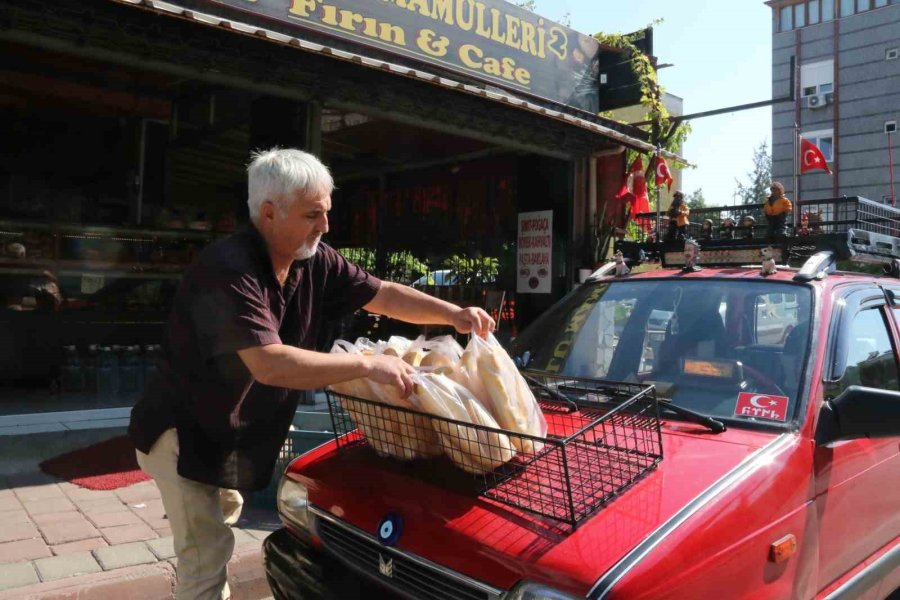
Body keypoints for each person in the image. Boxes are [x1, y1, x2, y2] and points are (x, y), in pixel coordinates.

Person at [128, 148, 494, 600]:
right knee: (205, 558)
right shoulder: (229, 269)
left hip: (226, 430)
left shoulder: (311, 258)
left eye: (326, 212)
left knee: (219, 519)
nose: (325, 225)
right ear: (269, 212)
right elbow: (271, 363)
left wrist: (453, 314)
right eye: (312, 214)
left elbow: (382, 294)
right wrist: (368, 365)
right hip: (182, 432)